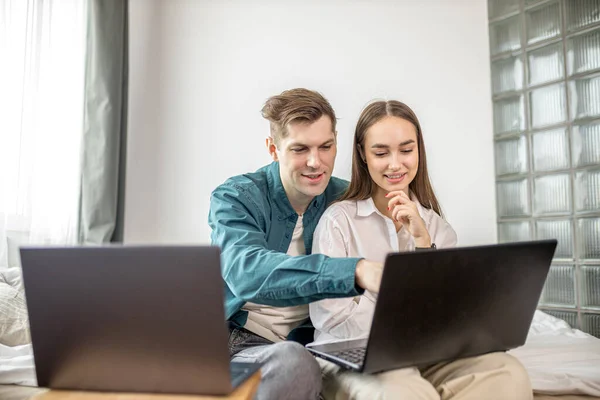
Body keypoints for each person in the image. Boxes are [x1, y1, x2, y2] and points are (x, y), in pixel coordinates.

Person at [309, 100, 533, 400]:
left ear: (419, 150)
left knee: (507, 372)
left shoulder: (437, 228)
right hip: (353, 359)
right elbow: (330, 319)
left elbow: (451, 314)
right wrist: (402, 327)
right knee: (404, 393)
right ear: (362, 154)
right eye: (380, 152)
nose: (395, 163)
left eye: (406, 149)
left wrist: (423, 244)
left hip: (425, 355)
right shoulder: (339, 221)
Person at [208, 88, 384, 400]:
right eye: (300, 149)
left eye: (326, 147)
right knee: (294, 363)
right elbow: (246, 271)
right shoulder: (235, 197)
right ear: (273, 148)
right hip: (243, 342)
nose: (316, 162)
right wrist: (353, 271)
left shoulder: (346, 200)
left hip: (318, 344)